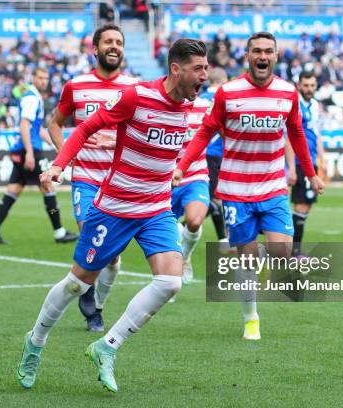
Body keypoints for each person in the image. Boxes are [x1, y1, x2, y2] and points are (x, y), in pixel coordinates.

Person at [16, 38, 208, 393]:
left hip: (156, 209)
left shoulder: (190, 107)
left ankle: (107, 346)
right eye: (198, 69)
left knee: (170, 282)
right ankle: (36, 341)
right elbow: (86, 128)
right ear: (176, 69)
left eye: (206, 69)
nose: (204, 76)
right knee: (78, 283)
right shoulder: (136, 96)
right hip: (115, 207)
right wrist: (60, 165)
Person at [174, 32, 325, 340]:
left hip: (272, 186)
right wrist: (182, 166)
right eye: (257, 50)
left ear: (276, 57)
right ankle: (251, 318)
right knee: (245, 258)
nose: (263, 55)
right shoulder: (228, 93)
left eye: (269, 51)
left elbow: (296, 135)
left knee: (282, 252)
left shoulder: (287, 93)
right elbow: (204, 133)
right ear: (247, 56)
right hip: (236, 190)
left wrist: (311, 174)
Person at [49, 24, 138, 332]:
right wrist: (66, 156)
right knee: (91, 240)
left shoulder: (134, 88)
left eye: (119, 42)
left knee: (112, 258)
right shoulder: (76, 85)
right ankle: (90, 306)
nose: (114, 46)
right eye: (108, 42)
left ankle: (96, 305)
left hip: (120, 182)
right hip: (86, 178)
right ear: (96, 49)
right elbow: (56, 124)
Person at [0, 67, 77, 244]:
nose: (43, 81)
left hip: (23, 149)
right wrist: (29, 153)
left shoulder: (32, 97)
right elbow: (24, 125)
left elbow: (37, 128)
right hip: (29, 149)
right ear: (33, 78)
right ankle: (59, 232)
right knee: (48, 186)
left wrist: (55, 145)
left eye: (45, 78)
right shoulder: (31, 99)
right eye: (40, 77)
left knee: (14, 189)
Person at [285, 71, 326, 257]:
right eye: (306, 85)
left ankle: (292, 250)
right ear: (299, 85)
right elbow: (290, 137)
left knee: (305, 205)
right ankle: (292, 252)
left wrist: (322, 159)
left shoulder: (315, 106)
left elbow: (316, 135)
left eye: (312, 85)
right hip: (298, 162)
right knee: (299, 205)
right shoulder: (296, 104)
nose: (309, 89)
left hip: (310, 162)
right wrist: (291, 167)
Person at [172, 96, 211, 284]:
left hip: (195, 176)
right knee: (165, 240)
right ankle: (166, 280)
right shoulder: (161, 105)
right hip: (164, 180)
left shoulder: (206, 107)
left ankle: (185, 257)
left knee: (195, 221)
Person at [199, 67, 229, 243]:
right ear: (224, 80)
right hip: (219, 153)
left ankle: (223, 239)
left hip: (202, 153)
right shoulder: (224, 98)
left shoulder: (200, 99)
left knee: (215, 197)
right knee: (216, 198)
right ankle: (184, 225)